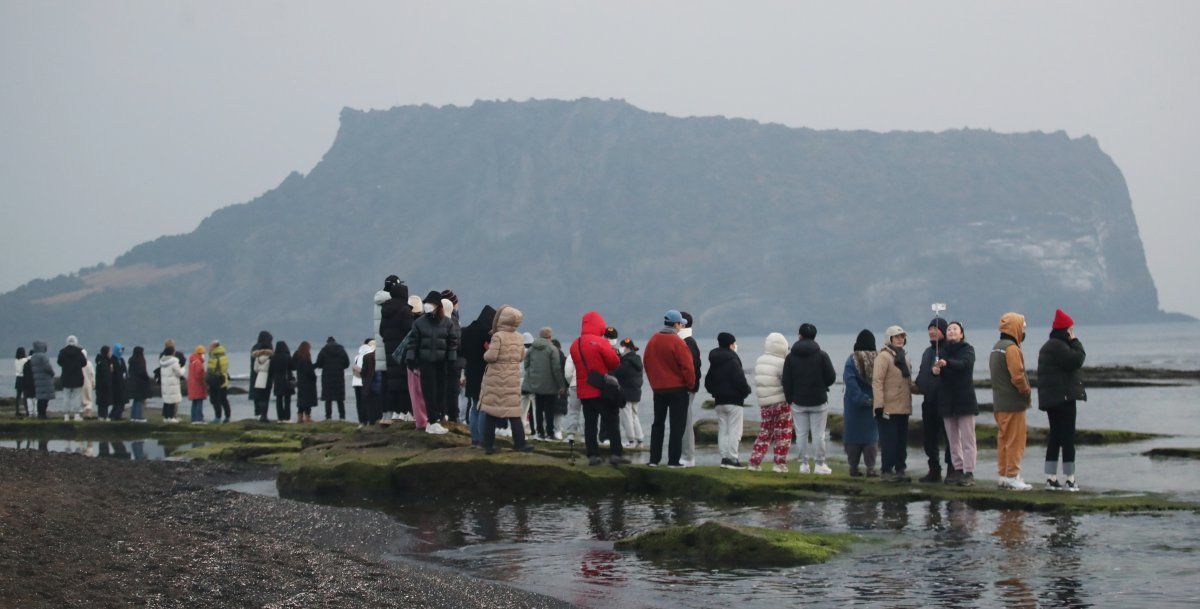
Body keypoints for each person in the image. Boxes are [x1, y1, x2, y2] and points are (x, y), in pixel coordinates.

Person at [1037, 309, 1087, 492]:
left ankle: (1051, 478)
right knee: (1067, 438)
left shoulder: (1047, 346)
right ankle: (1070, 479)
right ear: (1065, 330)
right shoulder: (1060, 346)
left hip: (1051, 400)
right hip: (1064, 398)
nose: (1072, 332)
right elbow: (1077, 359)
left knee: (1055, 437)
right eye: (1071, 329)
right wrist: (1075, 341)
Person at [571, 310, 627, 465]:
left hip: (584, 390)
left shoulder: (576, 343)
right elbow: (614, 363)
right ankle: (616, 454)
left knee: (590, 424)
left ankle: (593, 456)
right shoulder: (601, 342)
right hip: (601, 389)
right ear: (599, 325)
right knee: (612, 421)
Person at [642, 309, 695, 468]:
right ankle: (673, 461)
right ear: (677, 324)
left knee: (657, 423)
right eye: (681, 324)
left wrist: (654, 383)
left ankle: (654, 460)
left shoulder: (653, 340)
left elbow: (647, 362)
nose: (681, 327)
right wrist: (690, 385)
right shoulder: (678, 342)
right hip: (677, 390)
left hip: (659, 390)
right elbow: (687, 367)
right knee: (676, 426)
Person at [783, 323, 837, 475]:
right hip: (818, 400)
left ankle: (803, 465)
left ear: (799, 336)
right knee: (819, 434)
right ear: (814, 337)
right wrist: (822, 385)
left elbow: (786, 381)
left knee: (801, 434)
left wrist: (790, 399)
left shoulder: (791, 357)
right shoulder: (821, 355)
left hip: (798, 401)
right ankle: (820, 464)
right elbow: (831, 377)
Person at [479, 304, 534, 454]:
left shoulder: (497, 336)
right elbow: (522, 356)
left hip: (496, 378)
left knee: (491, 414)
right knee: (514, 413)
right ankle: (520, 444)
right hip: (512, 378)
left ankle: (488, 445)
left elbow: (491, 356)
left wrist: (486, 353)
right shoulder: (519, 337)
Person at [990, 312, 1033, 491]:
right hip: (1013, 403)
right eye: (1022, 327)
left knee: (1003, 439)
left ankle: (1003, 475)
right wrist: (1026, 390)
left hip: (999, 402)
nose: (1023, 331)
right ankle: (1013, 475)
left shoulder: (996, 347)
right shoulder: (1012, 349)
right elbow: (1017, 375)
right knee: (1015, 441)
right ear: (1015, 327)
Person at [935, 322, 980, 486]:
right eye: (949, 329)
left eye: (955, 329)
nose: (951, 331)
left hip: (965, 400)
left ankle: (969, 472)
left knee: (968, 439)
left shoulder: (968, 349)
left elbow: (964, 364)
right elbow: (938, 375)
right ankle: (958, 470)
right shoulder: (942, 351)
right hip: (947, 402)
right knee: (953, 440)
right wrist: (936, 371)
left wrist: (947, 364)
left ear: (961, 334)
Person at [406, 293, 458, 434]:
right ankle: (432, 421)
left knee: (441, 391)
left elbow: (452, 343)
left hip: (441, 362)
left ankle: (438, 417)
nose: (427, 305)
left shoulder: (447, 323)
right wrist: (411, 358)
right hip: (425, 362)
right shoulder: (419, 323)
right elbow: (413, 342)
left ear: (438, 306)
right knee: (429, 392)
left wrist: (451, 360)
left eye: (431, 303)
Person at [873, 325, 915, 482]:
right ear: (889, 339)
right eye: (896, 337)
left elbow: (909, 383)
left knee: (901, 441)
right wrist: (878, 406)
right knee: (888, 441)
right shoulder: (883, 357)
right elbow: (877, 382)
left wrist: (927, 388)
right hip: (888, 408)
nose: (900, 339)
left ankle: (900, 469)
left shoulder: (905, 357)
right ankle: (886, 470)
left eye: (902, 337)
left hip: (903, 407)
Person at [705, 332, 753, 469]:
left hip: (719, 401)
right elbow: (739, 379)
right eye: (734, 343)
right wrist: (747, 391)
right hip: (734, 401)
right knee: (735, 431)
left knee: (723, 430)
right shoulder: (733, 359)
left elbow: (708, 381)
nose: (735, 345)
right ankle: (733, 459)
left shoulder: (714, 360)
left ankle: (724, 458)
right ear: (731, 344)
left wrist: (715, 392)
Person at [915, 317, 954, 483]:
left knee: (950, 438)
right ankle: (934, 470)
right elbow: (923, 375)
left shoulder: (950, 350)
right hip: (929, 401)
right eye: (930, 329)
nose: (932, 331)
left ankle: (952, 470)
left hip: (946, 401)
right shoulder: (927, 352)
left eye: (935, 329)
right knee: (929, 439)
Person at [747, 333, 792, 473]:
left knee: (765, 433)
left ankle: (754, 462)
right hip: (781, 402)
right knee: (783, 434)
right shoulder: (782, 362)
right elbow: (786, 381)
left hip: (765, 404)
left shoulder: (760, 360)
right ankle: (779, 464)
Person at [842, 330, 879, 477]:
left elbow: (849, 381)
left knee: (852, 436)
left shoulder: (851, 360)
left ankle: (853, 467)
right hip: (874, 404)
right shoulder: (879, 360)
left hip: (854, 406)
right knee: (871, 437)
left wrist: (860, 398)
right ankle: (871, 468)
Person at [377, 276, 413, 421]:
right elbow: (409, 330)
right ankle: (406, 412)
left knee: (393, 382)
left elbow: (381, 331)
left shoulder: (385, 310)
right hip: (402, 350)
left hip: (389, 350)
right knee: (405, 382)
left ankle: (396, 412)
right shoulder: (405, 310)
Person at [523, 327, 568, 441]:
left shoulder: (532, 348)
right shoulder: (552, 349)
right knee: (549, 409)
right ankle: (550, 432)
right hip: (550, 385)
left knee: (538, 408)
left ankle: (539, 432)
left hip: (536, 383)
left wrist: (531, 374)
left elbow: (526, 363)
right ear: (550, 337)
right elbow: (556, 369)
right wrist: (561, 385)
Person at [461, 306, 497, 446]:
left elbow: (462, 351)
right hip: (484, 372)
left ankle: (475, 439)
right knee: (484, 407)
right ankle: (484, 439)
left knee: (474, 406)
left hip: (470, 371)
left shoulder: (467, 330)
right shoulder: (487, 333)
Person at [678, 312, 702, 467]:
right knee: (681, 420)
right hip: (685, 386)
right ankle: (684, 455)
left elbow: (692, 366)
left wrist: (689, 385)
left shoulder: (688, 342)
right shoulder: (683, 341)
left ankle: (688, 457)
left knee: (685, 421)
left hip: (687, 387)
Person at [612, 338, 645, 448]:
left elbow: (617, 372)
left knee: (627, 417)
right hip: (636, 392)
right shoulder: (637, 360)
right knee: (634, 416)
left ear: (626, 348)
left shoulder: (626, 361)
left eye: (622, 347)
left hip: (626, 393)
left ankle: (631, 441)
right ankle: (639, 440)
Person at [316, 337, 350, 420]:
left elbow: (319, 363)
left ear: (327, 342)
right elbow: (347, 363)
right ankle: (342, 417)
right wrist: (340, 367)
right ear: (335, 341)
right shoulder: (341, 350)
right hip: (339, 376)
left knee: (328, 399)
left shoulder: (324, 350)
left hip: (327, 377)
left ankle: (328, 417)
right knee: (340, 399)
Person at [57, 335, 87, 421]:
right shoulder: (79, 352)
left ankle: (66, 415)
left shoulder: (62, 352)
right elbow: (84, 363)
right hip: (77, 377)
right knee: (77, 397)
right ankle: (76, 415)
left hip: (66, 377)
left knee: (66, 396)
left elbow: (59, 362)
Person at [250, 331, 274, 421]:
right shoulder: (270, 349)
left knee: (257, 396)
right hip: (267, 376)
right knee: (265, 397)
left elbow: (252, 364)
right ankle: (264, 415)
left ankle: (257, 414)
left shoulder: (254, 349)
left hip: (256, 375)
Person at [293, 341, 319, 423]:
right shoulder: (306, 358)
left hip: (301, 381)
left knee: (301, 401)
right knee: (308, 401)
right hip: (308, 382)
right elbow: (309, 370)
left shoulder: (297, 357)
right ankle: (308, 417)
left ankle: (300, 417)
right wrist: (314, 375)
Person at [206, 341, 231, 423]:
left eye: (210, 346)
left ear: (214, 347)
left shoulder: (214, 357)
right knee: (224, 400)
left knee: (215, 400)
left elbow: (210, 370)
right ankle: (227, 416)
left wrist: (207, 379)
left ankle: (218, 417)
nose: (209, 348)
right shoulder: (224, 355)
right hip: (224, 379)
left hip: (215, 381)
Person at [29, 341, 55, 419]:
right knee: (45, 398)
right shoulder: (43, 356)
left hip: (37, 379)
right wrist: (52, 373)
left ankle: (40, 414)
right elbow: (47, 367)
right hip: (45, 379)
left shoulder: (33, 357)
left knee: (40, 398)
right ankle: (43, 414)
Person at [159, 345, 185, 423]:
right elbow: (179, 373)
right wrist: (183, 369)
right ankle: (171, 417)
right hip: (173, 383)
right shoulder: (174, 361)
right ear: (172, 353)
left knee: (167, 401)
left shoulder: (162, 362)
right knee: (172, 401)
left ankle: (166, 417)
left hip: (165, 384)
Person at [352, 338, 374, 425]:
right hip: (365, 382)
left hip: (356, 382)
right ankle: (369, 419)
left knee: (359, 403)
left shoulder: (357, 356)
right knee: (368, 402)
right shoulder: (370, 356)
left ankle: (361, 421)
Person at [271, 340, 295, 422]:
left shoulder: (273, 357)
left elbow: (271, 370)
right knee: (287, 400)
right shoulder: (287, 356)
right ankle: (287, 418)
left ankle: (280, 418)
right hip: (287, 381)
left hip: (277, 381)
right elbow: (293, 367)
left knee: (279, 400)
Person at [127, 346, 151, 422]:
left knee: (136, 400)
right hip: (140, 384)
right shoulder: (140, 360)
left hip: (133, 383)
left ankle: (133, 416)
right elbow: (142, 372)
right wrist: (147, 378)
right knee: (139, 400)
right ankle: (138, 416)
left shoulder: (131, 361)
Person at [187, 346, 208, 424]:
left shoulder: (192, 362)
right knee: (199, 402)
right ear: (200, 353)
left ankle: (193, 418)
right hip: (198, 385)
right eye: (203, 353)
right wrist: (204, 382)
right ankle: (198, 419)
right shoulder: (198, 362)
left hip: (192, 385)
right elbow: (199, 374)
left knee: (194, 402)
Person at [93, 346, 114, 421]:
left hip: (100, 385)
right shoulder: (104, 362)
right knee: (104, 402)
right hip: (104, 385)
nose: (111, 353)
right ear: (106, 352)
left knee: (101, 402)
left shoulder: (101, 361)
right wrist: (108, 384)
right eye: (110, 351)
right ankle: (103, 416)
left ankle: (101, 416)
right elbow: (106, 375)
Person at [110, 344, 128, 421]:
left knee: (122, 400)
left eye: (122, 350)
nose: (121, 352)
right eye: (120, 350)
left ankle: (119, 414)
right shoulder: (112, 360)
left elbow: (125, 370)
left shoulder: (121, 360)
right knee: (117, 401)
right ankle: (114, 415)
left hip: (123, 382)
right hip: (115, 383)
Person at [14, 347, 29, 417]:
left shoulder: (16, 360)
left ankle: (17, 410)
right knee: (25, 395)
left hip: (18, 378)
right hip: (24, 378)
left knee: (18, 396)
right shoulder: (25, 360)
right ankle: (27, 410)